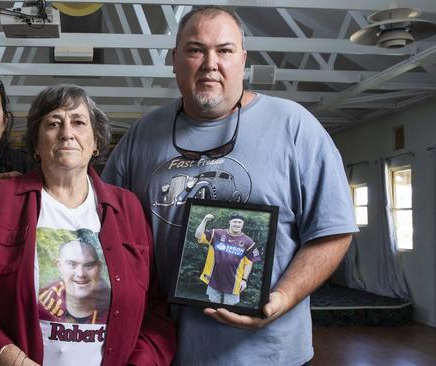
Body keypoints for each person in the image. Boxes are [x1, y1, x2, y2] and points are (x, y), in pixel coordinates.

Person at [102, 6, 358, 365]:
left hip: (268, 354)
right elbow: (95, 218)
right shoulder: (141, 135)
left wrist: (281, 298)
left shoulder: (295, 126)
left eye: (224, 50)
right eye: (195, 50)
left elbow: (333, 231)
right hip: (164, 350)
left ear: (242, 59)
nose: (210, 63)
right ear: (174, 59)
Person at [0, 84, 176, 366]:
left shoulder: (127, 208)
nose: (67, 133)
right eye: (54, 123)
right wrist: (13, 361)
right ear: (36, 144)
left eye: (78, 122)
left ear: (95, 143)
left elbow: (155, 309)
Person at [38, 239, 111, 324]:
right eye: (72, 264)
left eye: (89, 265)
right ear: (60, 266)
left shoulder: (115, 305)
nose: (81, 274)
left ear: (99, 268)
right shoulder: (39, 305)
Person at [195, 213, 260, 305]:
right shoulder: (216, 233)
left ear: (243, 224)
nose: (237, 224)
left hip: (234, 283)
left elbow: (249, 263)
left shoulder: (248, 241)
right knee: (212, 307)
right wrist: (205, 220)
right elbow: (198, 235)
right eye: (234, 221)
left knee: (228, 311)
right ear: (230, 222)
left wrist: (244, 280)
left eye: (239, 222)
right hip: (213, 279)